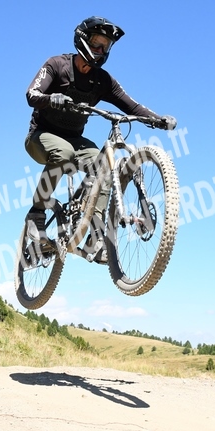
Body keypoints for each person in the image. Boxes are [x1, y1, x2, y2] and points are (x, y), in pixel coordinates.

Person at [24, 16, 176, 263]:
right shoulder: (57, 65)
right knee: (63, 153)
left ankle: (95, 237)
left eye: (106, 46)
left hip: (76, 140)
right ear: (83, 40)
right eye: (97, 43)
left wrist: (157, 119)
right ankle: (36, 213)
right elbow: (31, 94)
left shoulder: (103, 80)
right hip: (41, 136)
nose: (101, 50)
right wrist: (51, 98)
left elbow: (132, 105)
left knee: (105, 166)